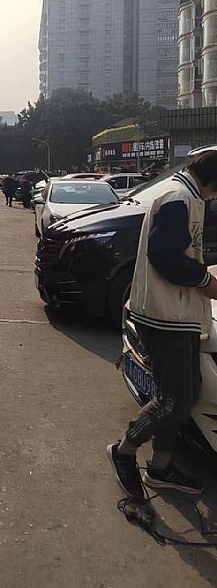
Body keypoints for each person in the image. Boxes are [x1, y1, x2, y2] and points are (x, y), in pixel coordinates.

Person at [107, 150, 217, 499]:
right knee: (173, 400)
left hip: (177, 314)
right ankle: (124, 450)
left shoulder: (187, 195)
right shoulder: (178, 198)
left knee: (187, 394)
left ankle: (161, 466)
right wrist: (206, 280)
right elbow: (164, 255)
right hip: (166, 316)